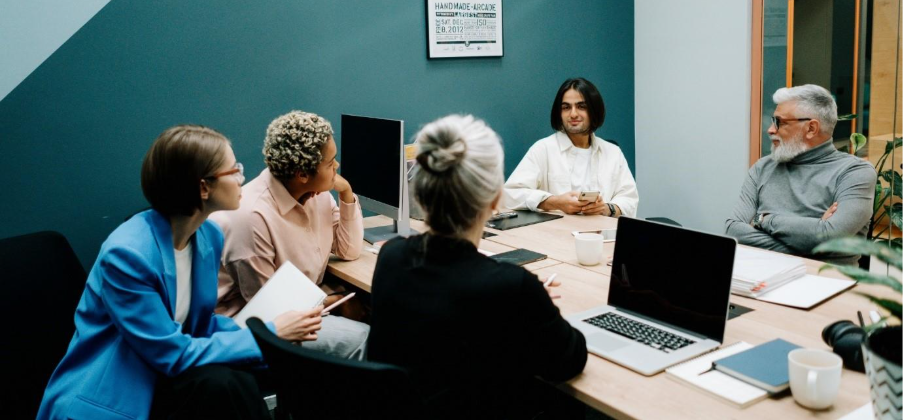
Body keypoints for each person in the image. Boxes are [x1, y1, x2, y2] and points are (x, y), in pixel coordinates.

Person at [38, 125, 322, 420]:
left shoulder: (208, 235)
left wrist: (269, 333)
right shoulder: (127, 255)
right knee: (227, 385)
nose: (242, 177)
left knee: (253, 377)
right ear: (203, 187)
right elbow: (172, 352)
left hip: (166, 376)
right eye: (233, 170)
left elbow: (197, 326)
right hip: (118, 392)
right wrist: (271, 334)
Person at [368, 114, 588, 418]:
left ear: (420, 193)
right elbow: (569, 361)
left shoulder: (391, 257)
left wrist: (525, 304)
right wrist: (534, 306)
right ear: (496, 199)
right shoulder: (512, 287)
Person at [211, 111, 368, 359]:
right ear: (302, 175)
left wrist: (346, 192)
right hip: (253, 327)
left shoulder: (317, 195)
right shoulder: (251, 217)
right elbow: (269, 309)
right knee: (364, 337)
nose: (337, 166)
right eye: (330, 162)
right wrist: (334, 302)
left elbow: (349, 250)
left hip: (303, 304)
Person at [725, 85, 876, 265]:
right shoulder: (763, 167)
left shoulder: (854, 172)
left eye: (779, 122)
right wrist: (813, 237)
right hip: (761, 277)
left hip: (828, 283)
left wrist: (762, 220)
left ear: (811, 128)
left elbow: (832, 238)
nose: (771, 130)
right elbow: (734, 230)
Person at [503, 77, 639, 217]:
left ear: (594, 110)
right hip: (555, 235)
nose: (573, 114)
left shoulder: (613, 152)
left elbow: (630, 199)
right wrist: (555, 202)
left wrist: (605, 208)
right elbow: (511, 194)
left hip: (604, 236)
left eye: (581, 106)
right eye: (566, 107)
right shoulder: (543, 149)